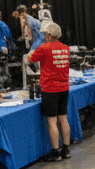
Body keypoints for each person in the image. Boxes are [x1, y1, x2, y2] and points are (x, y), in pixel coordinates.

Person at [29, 21, 72, 161]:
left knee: (52, 121)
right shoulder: (66, 48)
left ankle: (55, 152)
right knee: (63, 118)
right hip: (64, 87)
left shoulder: (44, 48)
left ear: (48, 35)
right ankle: (66, 149)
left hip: (50, 88)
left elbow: (31, 59)